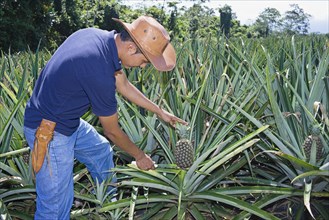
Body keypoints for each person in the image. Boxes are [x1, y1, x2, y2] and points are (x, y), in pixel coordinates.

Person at [23, 15, 187, 219]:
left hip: (67, 120)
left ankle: (110, 208)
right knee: (55, 208)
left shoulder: (98, 38)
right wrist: (140, 156)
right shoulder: (98, 69)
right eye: (144, 60)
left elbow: (124, 85)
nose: (143, 66)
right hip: (50, 132)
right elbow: (112, 131)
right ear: (130, 49)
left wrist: (159, 111)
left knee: (100, 152)